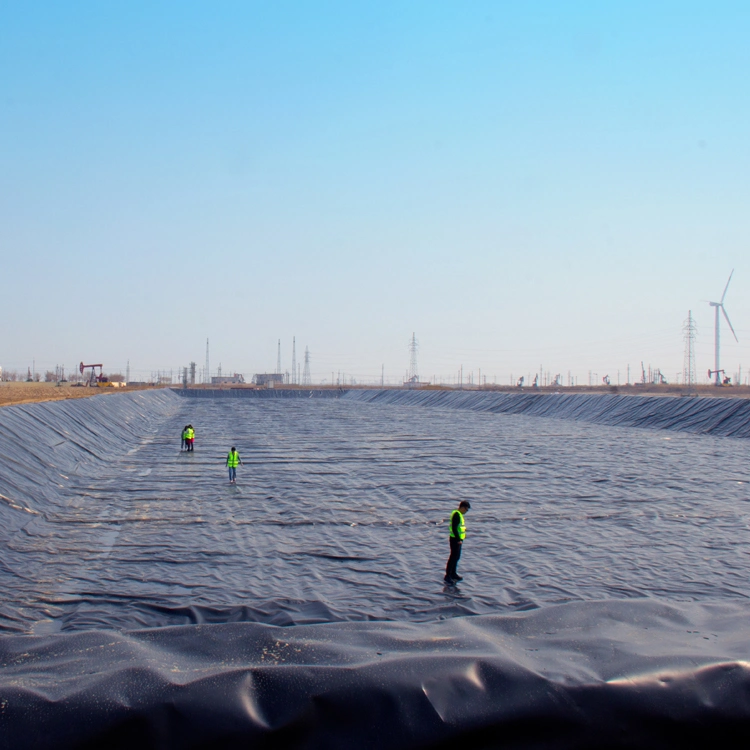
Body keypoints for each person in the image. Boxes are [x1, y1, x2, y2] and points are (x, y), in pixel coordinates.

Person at [445, 500, 471, 584]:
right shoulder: (456, 514)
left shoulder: (459, 514)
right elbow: (454, 528)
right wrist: (458, 539)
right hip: (455, 539)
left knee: (457, 557)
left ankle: (453, 573)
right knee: (453, 557)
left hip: (458, 539)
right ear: (462, 508)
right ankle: (448, 575)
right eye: (466, 510)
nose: (466, 512)